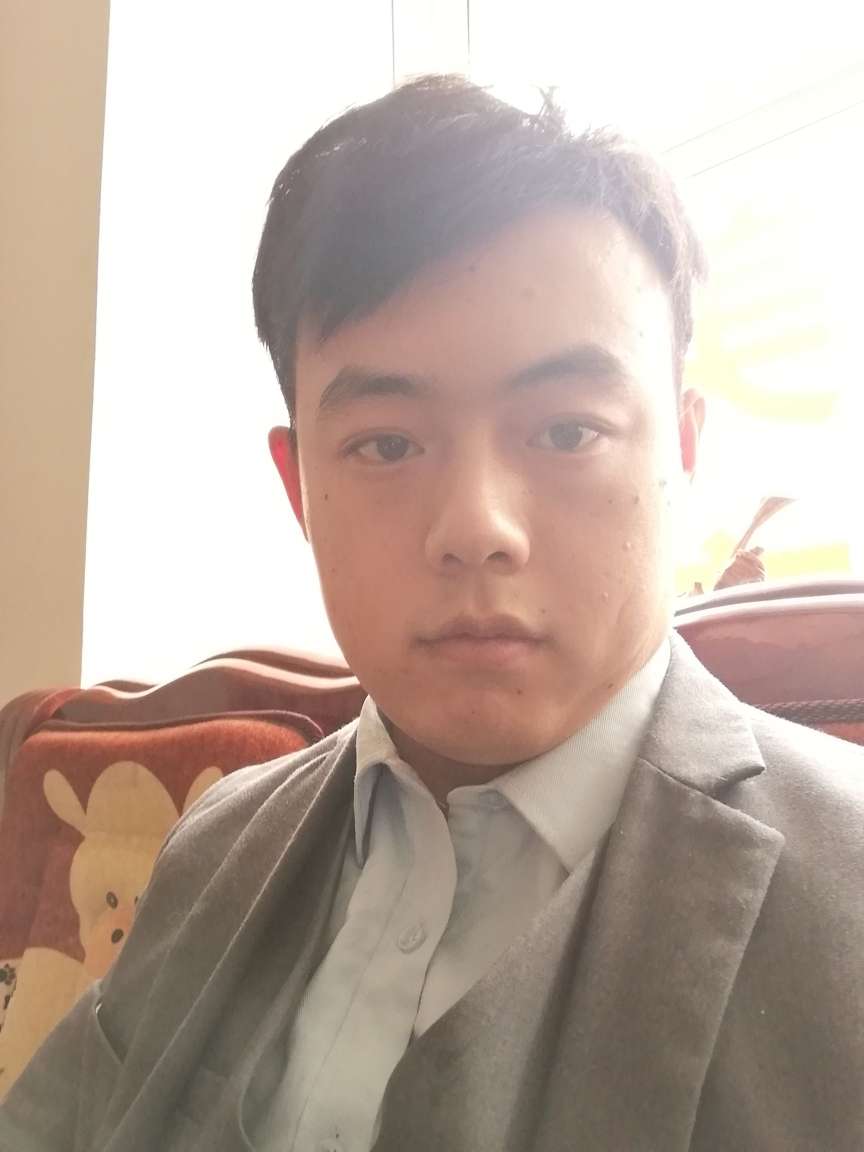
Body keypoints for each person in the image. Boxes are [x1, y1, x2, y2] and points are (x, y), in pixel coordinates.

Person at [2, 75, 862, 1152]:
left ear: (682, 450)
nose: (476, 527)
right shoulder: (212, 845)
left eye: (567, 431)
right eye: (388, 443)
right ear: (300, 485)